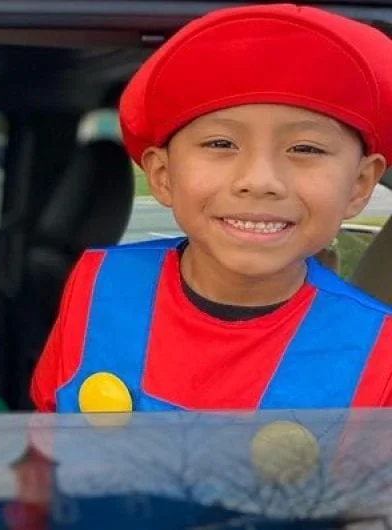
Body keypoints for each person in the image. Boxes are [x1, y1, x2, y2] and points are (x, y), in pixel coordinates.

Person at [31, 3, 392, 414]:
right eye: (221, 144)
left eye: (306, 149)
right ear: (163, 175)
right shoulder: (100, 282)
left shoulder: (379, 351)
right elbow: (48, 431)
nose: (259, 180)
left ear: (360, 185)